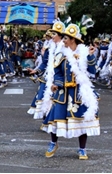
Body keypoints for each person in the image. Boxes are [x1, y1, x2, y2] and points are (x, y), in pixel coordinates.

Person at [38, 18, 99, 160]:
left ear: (72, 39)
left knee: (82, 120)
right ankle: (53, 143)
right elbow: (57, 71)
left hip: (79, 92)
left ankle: (82, 149)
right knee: (55, 118)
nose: (63, 40)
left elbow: (92, 71)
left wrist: (90, 57)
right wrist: (56, 84)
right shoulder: (61, 54)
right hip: (62, 91)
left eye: (65, 38)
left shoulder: (84, 53)